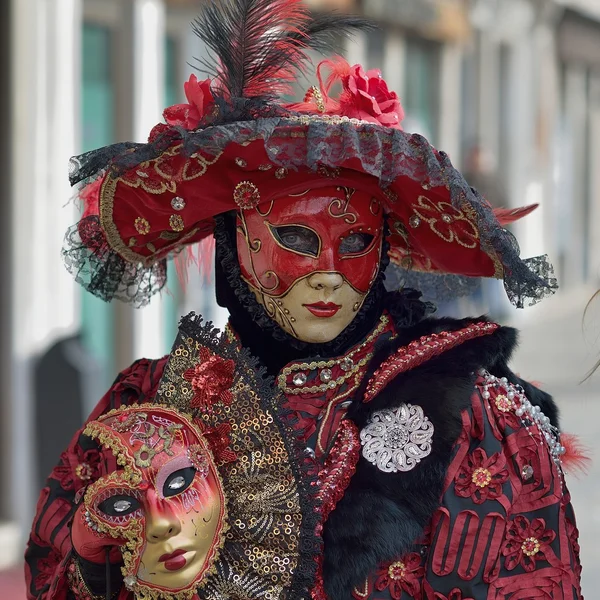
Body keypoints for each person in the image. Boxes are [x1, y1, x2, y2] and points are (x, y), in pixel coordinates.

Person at [26, 1, 584, 598]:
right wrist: (99, 562)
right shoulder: (151, 406)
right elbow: (54, 573)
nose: (327, 273)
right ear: (232, 240)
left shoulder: (479, 420)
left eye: (356, 242)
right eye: (295, 238)